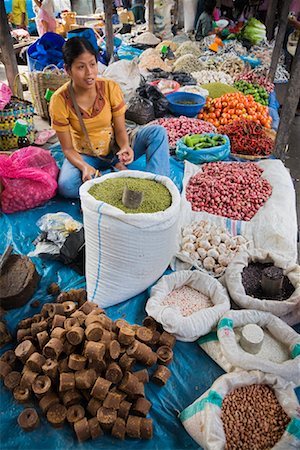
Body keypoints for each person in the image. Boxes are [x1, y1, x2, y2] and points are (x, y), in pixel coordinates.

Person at [49, 37, 170, 199]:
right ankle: (115, 173)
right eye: (80, 67)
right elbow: (68, 149)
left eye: (92, 64)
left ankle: (156, 185)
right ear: (67, 70)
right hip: (85, 154)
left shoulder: (109, 88)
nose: (89, 73)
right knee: (67, 186)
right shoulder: (59, 100)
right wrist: (84, 167)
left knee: (158, 133)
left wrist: (125, 146)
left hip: (113, 147)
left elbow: (120, 129)